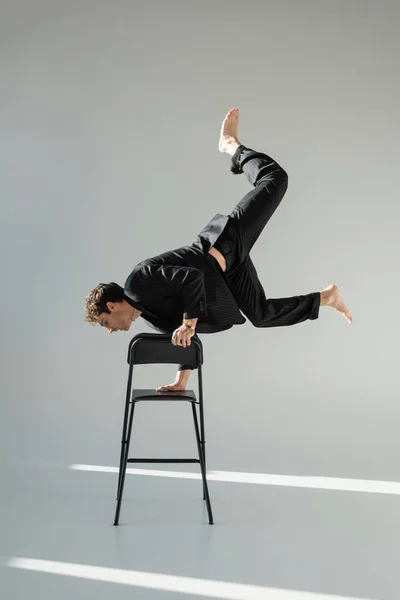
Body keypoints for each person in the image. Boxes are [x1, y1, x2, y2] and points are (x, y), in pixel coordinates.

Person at [85, 108, 352, 392]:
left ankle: (231, 146)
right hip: (228, 273)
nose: (110, 329)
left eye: (105, 322)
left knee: (275, 179)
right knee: (261, 316)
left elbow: (191, 279)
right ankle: (326, 297)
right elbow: (188, 340)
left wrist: (188, 323)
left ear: (112, 306)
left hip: (224, 243)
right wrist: (180, 381)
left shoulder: (138, 281)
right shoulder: (150, 315)